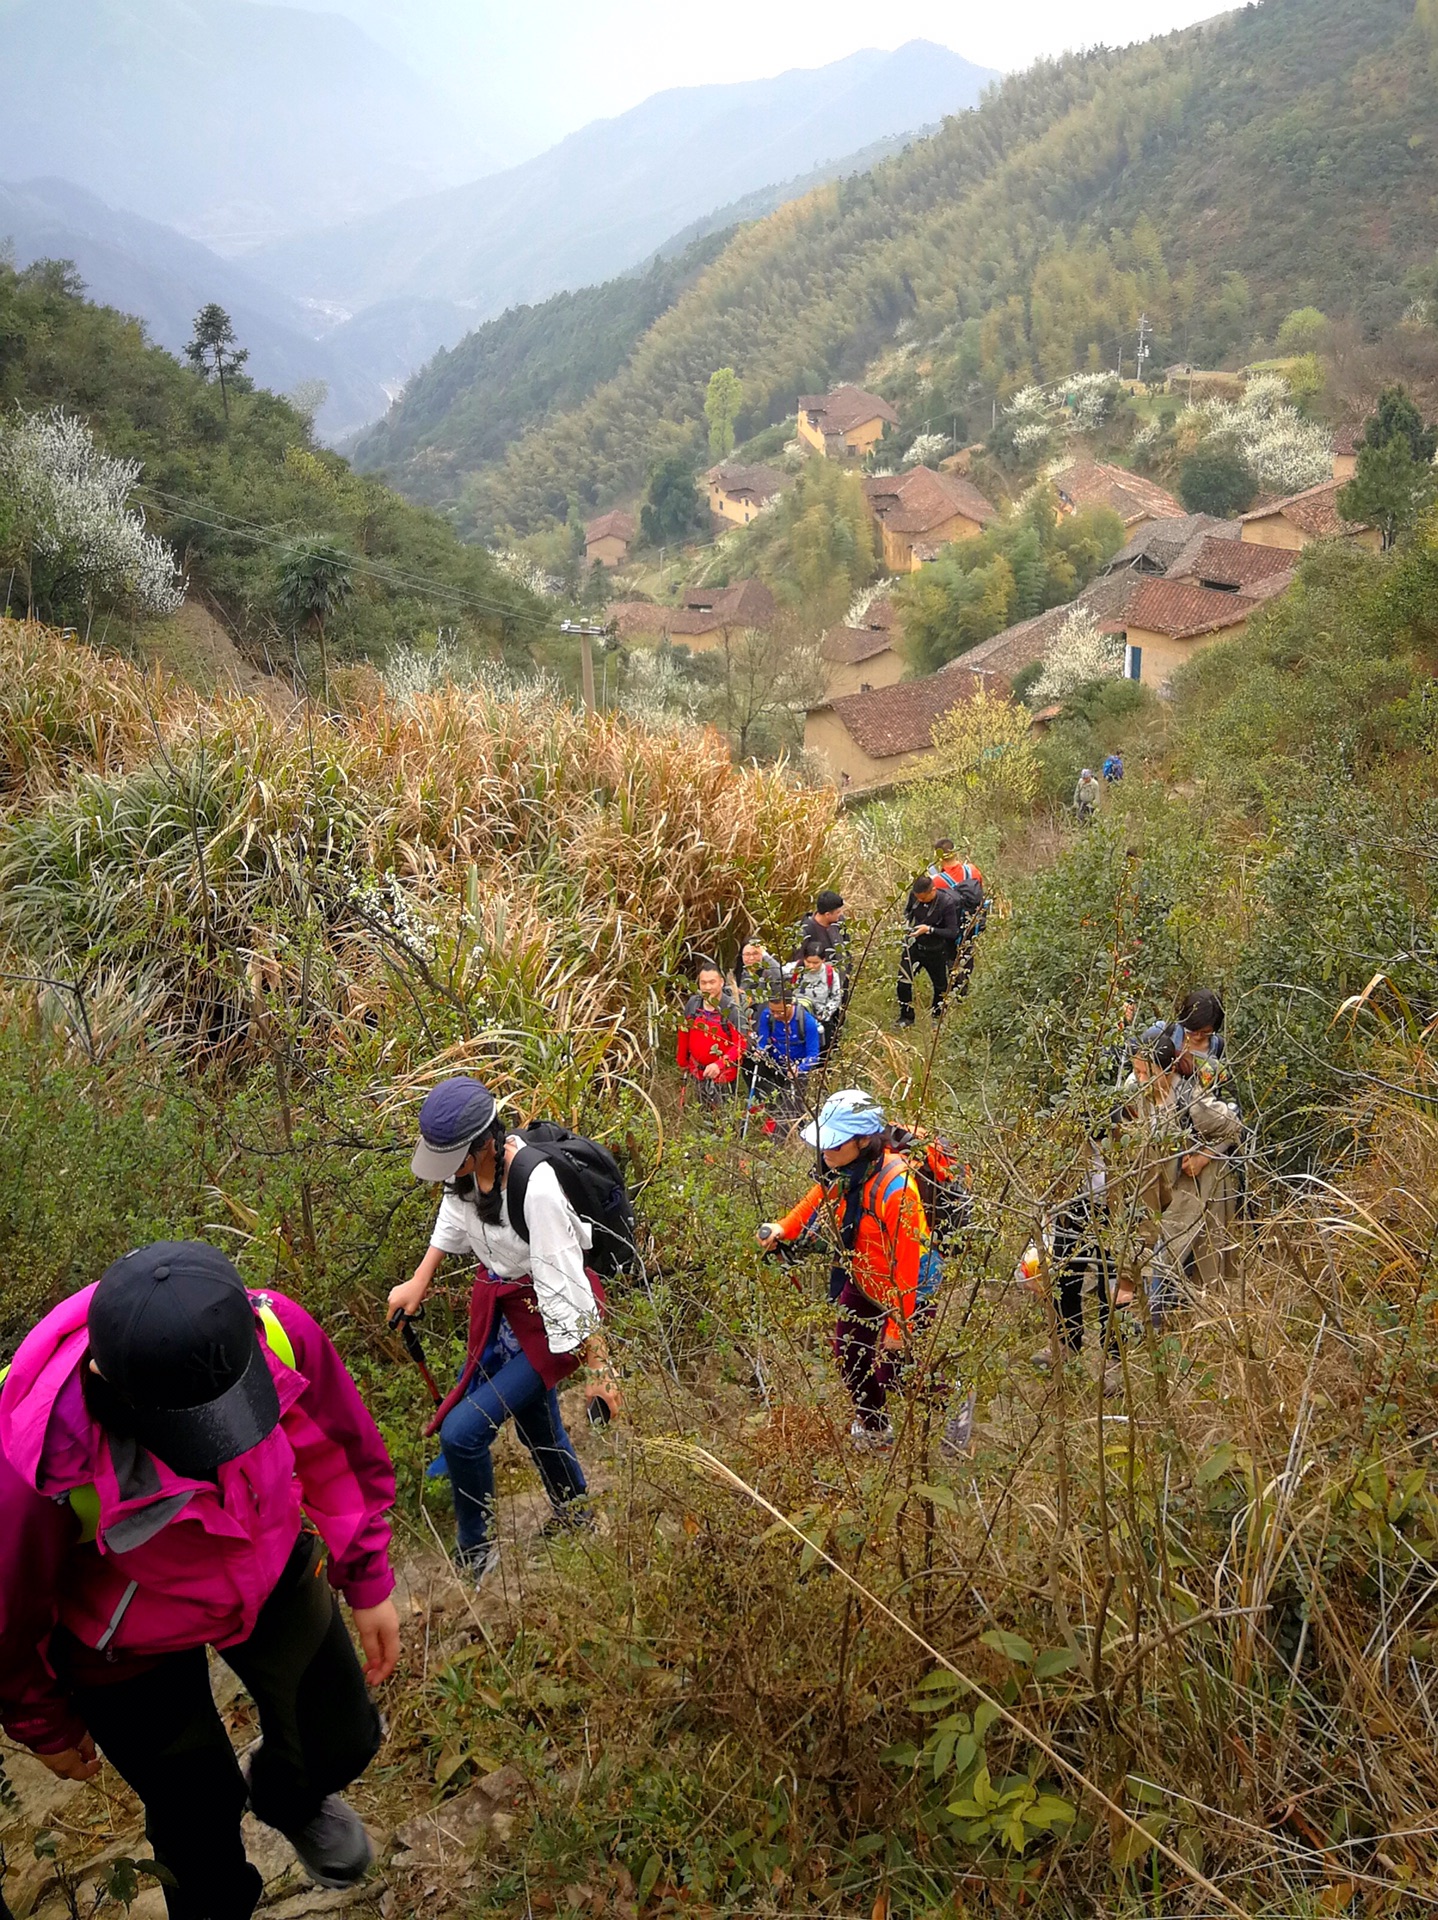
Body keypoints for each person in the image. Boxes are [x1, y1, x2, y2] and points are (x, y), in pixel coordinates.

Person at [0, 1241, 400, 1917]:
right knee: (197, 1818)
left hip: (267, 1558)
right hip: (125, 1645)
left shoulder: (268, 1330)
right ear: (113, 1389)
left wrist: (365, 1571)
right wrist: (44, 1722)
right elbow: (9, 1611)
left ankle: (287, 1800)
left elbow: (335, 1442)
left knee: (342, 1737)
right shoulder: (33, 1462)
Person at [391, 1078, 601, 1582]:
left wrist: (600, 1366)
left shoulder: (536, 1186)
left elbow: (566, 1281)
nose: (449, 1173)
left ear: (485, 1144)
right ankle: (576, 1514)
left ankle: (475, 1550)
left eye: (454, 1158)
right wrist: (420, 1278)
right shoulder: (466, 1174)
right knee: (534, 1421)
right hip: (510, 1311)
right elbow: (453, 1213)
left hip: (552, 1317)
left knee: (462, 1434)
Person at [757, 1090, 966, 1455]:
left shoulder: (898, 1188)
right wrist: (783, 1227)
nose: (826, 1153)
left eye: (835, 1145)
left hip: (909, 1288)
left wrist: (896, 1329)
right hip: (864, 1276)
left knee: (896, 1372)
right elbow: (816, 1197)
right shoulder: (844, 1170)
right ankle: (875, 1429)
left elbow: (907, 1264)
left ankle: (953, 1403)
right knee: (850, 1353)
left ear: (864, 1140)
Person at [748, 989, 822, 1123]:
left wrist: (799, 1068)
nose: (775, 1015)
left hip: (797, 1067)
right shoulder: (767, 1016)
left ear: (790, 1005)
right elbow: (763, 1040)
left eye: (780, 1012)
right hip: (774, 1064)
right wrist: (760, 1050)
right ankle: (772, 1118)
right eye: (772, 1011)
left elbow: (813, 1055)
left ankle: (795, 1126)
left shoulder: (807, 1022)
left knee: (793, 1103)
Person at [676, 962, 745, 1103]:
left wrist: (719, 1064)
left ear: (721, 982)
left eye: (712, 982)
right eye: (703, 983)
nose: (708, 987)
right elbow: (684, 1033)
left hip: (723, 1076)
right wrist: (682, 1061)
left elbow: (741, 1043)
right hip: (696, 1072)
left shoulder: (731, 1009)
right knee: (700, 1114)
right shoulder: (693, 1005)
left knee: (722, 1118)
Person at [898, 873, 961, 1026]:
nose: (920, 900)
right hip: (914, 946)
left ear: (933, 891)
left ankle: (936, 1018)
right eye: (917, 897)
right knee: (903, 982)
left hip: (936, 950)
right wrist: (905, 925)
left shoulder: (947, 903)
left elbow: (953, 932)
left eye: (923, 898)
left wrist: (929, 930)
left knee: (940, 986)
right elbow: (908, 913)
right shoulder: (915, 897)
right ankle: (906, 1017)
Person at [786, 937, 843, 1044]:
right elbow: (775, 972)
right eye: (808, 962)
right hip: (796, 1018)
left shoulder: (830, 974)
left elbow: (836, 997)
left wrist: (825, 1014)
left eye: (816, 963)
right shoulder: (794, 968)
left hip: (820, 1019)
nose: (811, 966)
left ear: (823, 960)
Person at [734, 940, 782, 1033]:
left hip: (764, 1021)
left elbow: (781, 976)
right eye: (747, 954)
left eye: (756, 953)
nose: (751, 958)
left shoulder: (768, 973)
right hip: (742, 1022)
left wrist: (765, 955)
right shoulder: (736, 975)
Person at [799, 889, 849, 969]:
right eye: (838, 912)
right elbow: (799, 961)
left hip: (839, 978)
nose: (841, 914)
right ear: (827, 915)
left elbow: (847, 948)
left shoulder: (840, 923)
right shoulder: (805, 931)